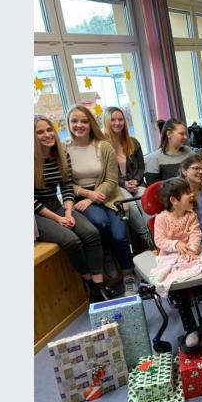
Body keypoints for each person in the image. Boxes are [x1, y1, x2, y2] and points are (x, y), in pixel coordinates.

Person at [34, 115, 112, 302]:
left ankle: (99, 288)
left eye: (49, 130)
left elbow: (67, 187)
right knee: (72, 241)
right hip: (36, 215)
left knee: (91, 233)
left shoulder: (61, 154)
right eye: (40, 132)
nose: (47, 134)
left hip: (57, 205)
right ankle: (90, 283)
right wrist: (58, 219)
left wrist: (68, 212)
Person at [64, 104, 137, 295]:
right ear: (68, 124)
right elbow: (65, 183)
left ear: (91, 124)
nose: (79, 125)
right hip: (81, 197)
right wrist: (88, 195)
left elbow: (112, 180)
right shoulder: (64, 149)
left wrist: (94, 197)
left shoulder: (104, 146)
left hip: (109, 195)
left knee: (120, 235)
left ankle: (128, 273)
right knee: (101, 223)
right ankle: (107, 254)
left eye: (84, 121)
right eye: (74, 121)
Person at [102, 106, 153, 251]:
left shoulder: (133, 142)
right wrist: (124, 184)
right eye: (113, 120)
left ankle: (154, 233)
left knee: (145, 199)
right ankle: (146, 238)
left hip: (136, 183)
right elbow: (104, 173)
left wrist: (136, 180)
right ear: (106, 121)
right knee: (130, 204)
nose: (117, 123)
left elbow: (141, 167)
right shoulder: (102, 146)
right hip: (116, 185)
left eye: (120, 119)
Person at [144, 119, 194, 186]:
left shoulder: (189, 152)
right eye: (181, 134)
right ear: (169, 134)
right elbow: (153, 188)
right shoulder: (155, 159)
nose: (185, 137)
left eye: (185, 134)